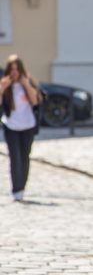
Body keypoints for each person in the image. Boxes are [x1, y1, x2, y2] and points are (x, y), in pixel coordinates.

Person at [0, 55, 41, 201]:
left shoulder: (28, 83)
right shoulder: (5, 85)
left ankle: (22, 186)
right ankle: (16, 189)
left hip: (27, 126)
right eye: (12, 69)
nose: (14, 72)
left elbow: (35, 102)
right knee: (15, 158)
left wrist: (26, 84)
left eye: (17, 69)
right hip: (11, 126)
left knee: (25, 158)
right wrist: (2, 89)